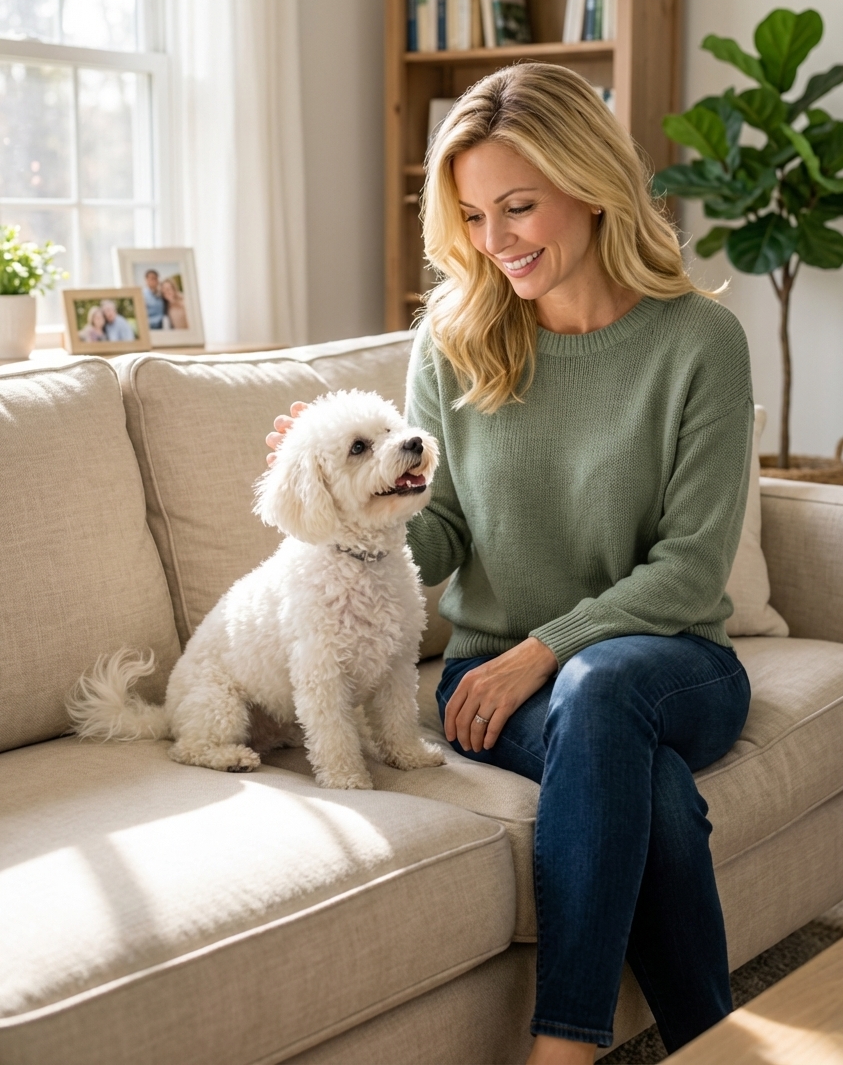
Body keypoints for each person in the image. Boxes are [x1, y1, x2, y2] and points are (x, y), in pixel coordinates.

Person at [266, 63, 753, 1063]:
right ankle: (717, 1039)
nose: (497, 242)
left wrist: (539, 651)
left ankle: (561, 1049)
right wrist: (362, 500)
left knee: (605, 684)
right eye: (476, 215)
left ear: (591, 182)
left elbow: (693, 570)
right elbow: (436, 544)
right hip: (508, 696)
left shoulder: (701, 340)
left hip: (673, 664)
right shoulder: (453, 340)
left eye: (519, 206)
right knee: (647, 788)